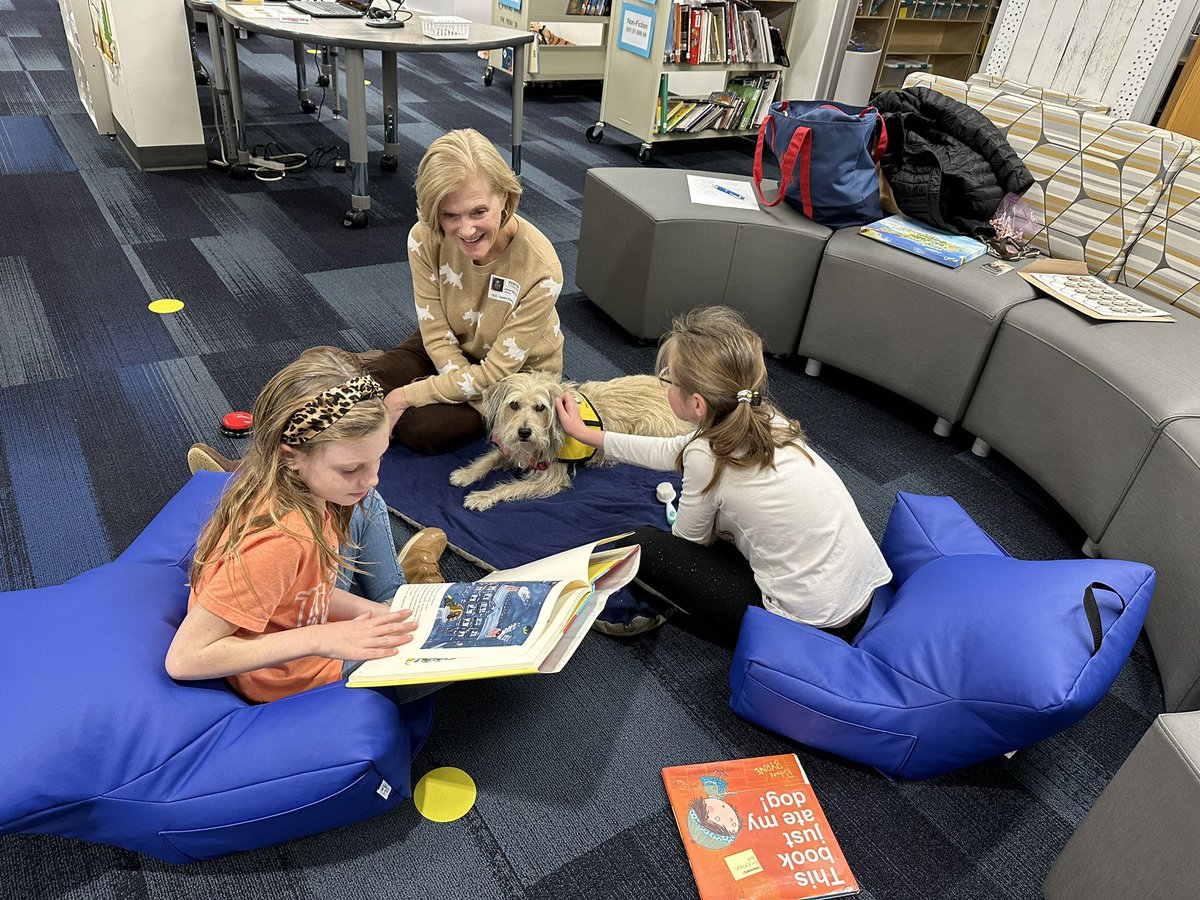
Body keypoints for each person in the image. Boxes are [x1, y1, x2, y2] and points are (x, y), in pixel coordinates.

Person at [554, 307, 891, 647]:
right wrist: (590, 435)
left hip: (811, 627)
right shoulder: (764, 416)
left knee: (640, 546)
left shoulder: (707, 455)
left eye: (668, 380)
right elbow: (672, 450)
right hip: (860, 594)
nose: (664, 385)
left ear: (697, 404)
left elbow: (690, 540)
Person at [165, 347, 445, 703]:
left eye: (379, 458)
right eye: (350, 469)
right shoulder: (283, 541)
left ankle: (398, 595)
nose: (372, 477)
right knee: (456, 661)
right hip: (297, 675)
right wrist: (323, 638)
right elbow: (184, 659)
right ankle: (407, 585)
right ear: (290, 457)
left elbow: (303, 594)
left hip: (303, 624)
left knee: (365, 502)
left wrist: (374, 612)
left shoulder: (305, 496)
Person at [363, 126, 565, 455]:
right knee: (368, 384)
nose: (466, 230)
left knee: (419, 428)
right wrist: (451, 382)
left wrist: (406, 396)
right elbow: (436, 332)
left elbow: (496, 373)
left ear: (504, 196)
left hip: (514, 374)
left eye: (479, 212)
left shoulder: (542, 268)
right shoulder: (423, 237)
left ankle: (405, 382)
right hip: (452, 339)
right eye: (450, 215)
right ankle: (381, 369)